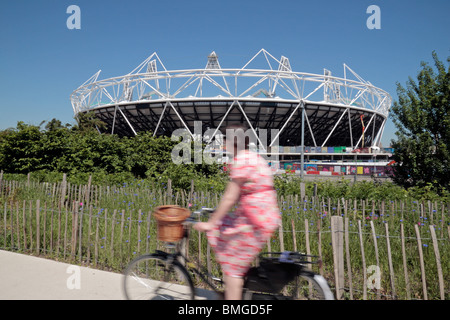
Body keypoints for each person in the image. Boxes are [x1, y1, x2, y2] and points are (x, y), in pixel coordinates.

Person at [194, 124, 281, 300]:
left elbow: (229, 198)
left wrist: (211, 222)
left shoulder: (241, 161)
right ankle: (231, 292)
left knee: (232, 268)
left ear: (229, 143)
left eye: (224, 140)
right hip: (264, 217)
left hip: (254, 221)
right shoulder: (256, 158)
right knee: (229, 239)